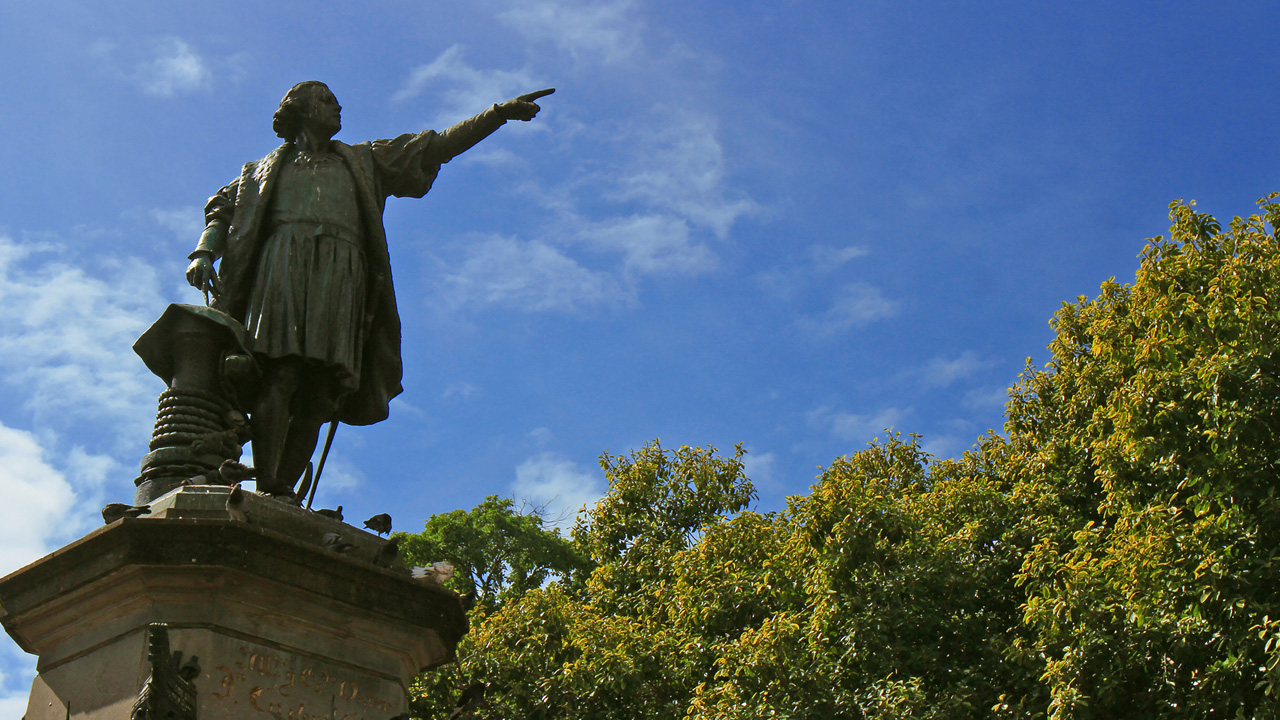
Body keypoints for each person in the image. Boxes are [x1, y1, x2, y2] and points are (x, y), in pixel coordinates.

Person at [186, 81, 552, 498]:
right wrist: (203, 253)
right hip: (282, 263)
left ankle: (282, 491)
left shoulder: (364, 160)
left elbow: (432, 147)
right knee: (281, 372)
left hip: (343, 270)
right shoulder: (261, 171)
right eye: (326, 100)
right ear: (300, 111)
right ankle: (266, 475)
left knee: (323, 393)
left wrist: (496, 115)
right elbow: (222, 210)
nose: (338, 106)